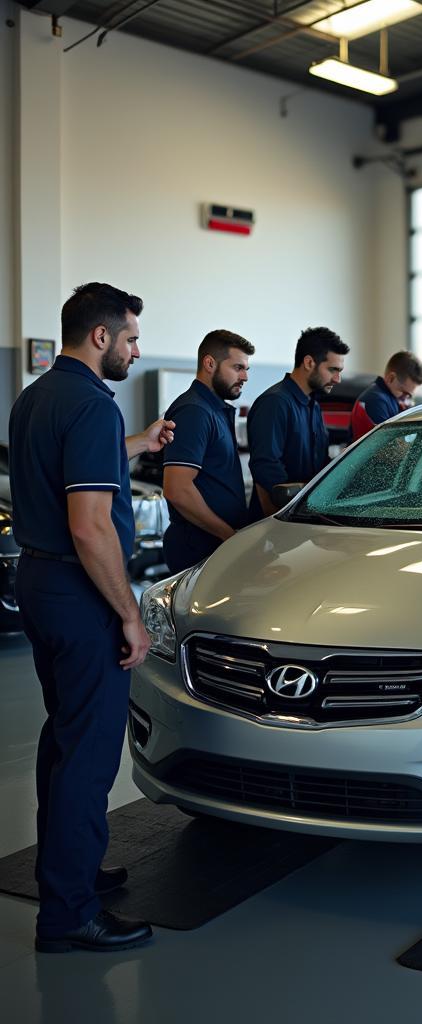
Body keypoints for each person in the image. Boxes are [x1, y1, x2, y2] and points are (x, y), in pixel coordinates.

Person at [9, 282, 174, 952]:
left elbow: (75, 467)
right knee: (89, 752)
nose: (136, 350)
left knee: (63, 737)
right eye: (132, 337)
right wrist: (130, 615)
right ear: (102, 336)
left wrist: (137, 441)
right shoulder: (90, 406)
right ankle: (69, 914)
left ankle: (71, 872)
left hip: (39, 584)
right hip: (82, 594)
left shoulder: (39, 396)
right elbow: (91, 527)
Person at [161, 330, 255, 573]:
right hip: (199, 547)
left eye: (246, 368)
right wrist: (228, 536)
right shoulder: (194, 411)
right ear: (209, 363)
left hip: (217, 545)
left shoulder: (215, 410)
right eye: (237, 367)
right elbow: (177, 489)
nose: (245, 376)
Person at [246, 326, 348, 518]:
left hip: (305, 517)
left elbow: (317, 465)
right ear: (309, 362)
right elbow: (266, 468)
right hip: (280, 521)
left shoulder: (313, 405)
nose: (338, 379)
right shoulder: (275, 403)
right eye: (333, 370)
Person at [349, 350, 422, 442]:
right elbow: (389, 445)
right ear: (391, 378)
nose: (406, 399)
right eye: (404, 393)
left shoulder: (394, 398)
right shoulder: (375, 401)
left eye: (409, 395)